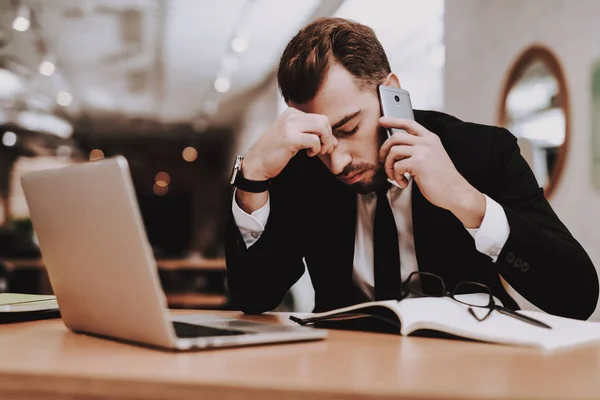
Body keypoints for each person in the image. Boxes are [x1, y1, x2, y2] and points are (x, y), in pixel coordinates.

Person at [224, 17, 598, 320]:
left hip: (472, 370)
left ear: (392, 92)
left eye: (349, 128)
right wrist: (253, 175)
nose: (335, 161)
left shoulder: (482, 152)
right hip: (346, 371)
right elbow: (254, 296)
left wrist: (467, 202)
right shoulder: (305, 165)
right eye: (321, 140)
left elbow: (577, 298)